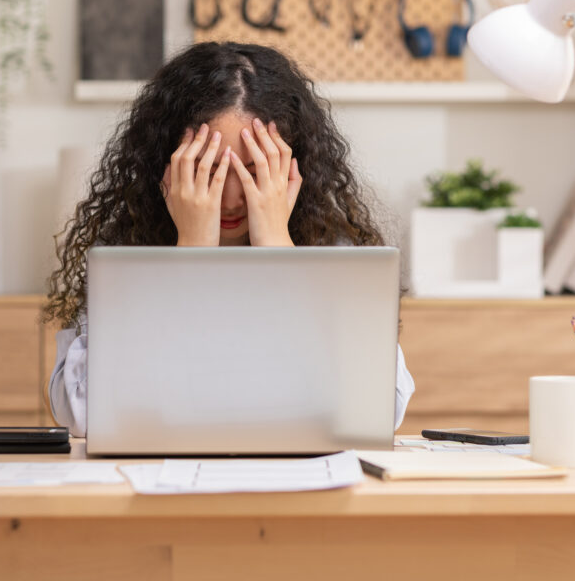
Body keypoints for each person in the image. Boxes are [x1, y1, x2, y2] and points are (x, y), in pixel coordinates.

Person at [44, 41, 414, 437]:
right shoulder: (125, 258)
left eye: (256, 170)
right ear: (169, 167)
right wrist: (191, 254)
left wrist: (278, 250)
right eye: (211, 168)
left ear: (291, 170)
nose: (234, 197)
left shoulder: (333, 256)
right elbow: (80, 414)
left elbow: (381, 410)